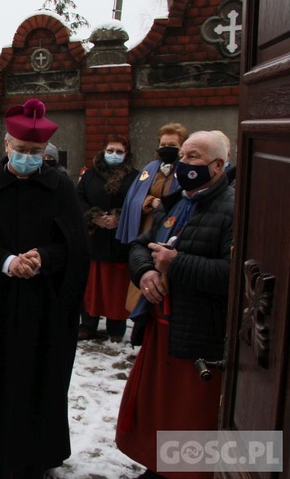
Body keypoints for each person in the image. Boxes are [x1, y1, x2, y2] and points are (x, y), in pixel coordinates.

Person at [0, 99, 89, 477]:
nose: (28, 157)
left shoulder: (59, 187)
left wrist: (43, 256)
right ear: (6, 146)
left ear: (46, 152)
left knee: (37, 377)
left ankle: (37, 455)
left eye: (35, 152)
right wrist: (6, 262)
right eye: (21, 150)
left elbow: (74, 245)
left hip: (43, 305)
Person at [116, 131, 234, 478]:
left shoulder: (232, 207)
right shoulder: (176, 199)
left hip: (198, 335)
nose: (184, 163)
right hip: (160, 324)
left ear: (217, 165)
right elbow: (140, 245)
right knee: (159, 407)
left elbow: (231, 275)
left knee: (189, 414)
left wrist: (174, 263)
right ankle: (157, 466)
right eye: (182, 155)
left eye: (193, 156)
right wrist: (146, 273)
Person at [116, 123, 187, 323]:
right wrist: (149, 201)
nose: (166, 148)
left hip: (172, 230)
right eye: (163, 144)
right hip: (147, 227)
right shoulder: (150, 169)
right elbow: (134, 197)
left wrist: (164, 204)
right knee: (143, 268)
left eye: (172, 145)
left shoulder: (186, 170)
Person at [76, 135, 139, 342]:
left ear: (126, 154)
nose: (114, 155)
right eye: (110, 150)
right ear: (103, 151)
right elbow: (79, 198)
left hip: (120, 241)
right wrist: (93, 216)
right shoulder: (90, 175)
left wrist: (120, 218)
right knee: (91, 286)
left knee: (116, 288)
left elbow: (139, 203)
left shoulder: (135, 177)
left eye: (119, 151)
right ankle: (87, 325)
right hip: (94, 239)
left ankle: (116, 328)